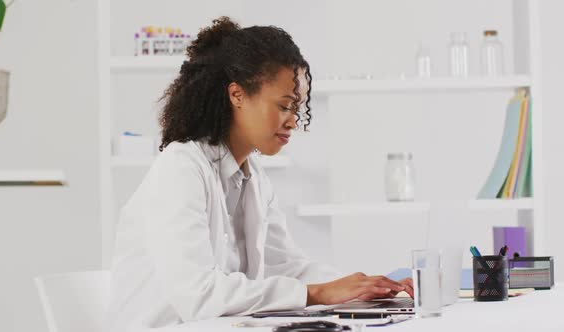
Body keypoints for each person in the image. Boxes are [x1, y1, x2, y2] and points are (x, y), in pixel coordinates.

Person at [108, 17, 413, 331]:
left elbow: (286, 268)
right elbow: (198, 296)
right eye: (284, 105)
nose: (294, 120)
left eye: (298, 108)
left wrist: (362, 288)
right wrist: (318, 293)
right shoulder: (181, 168)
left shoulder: (254, 178)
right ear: (237, 95)